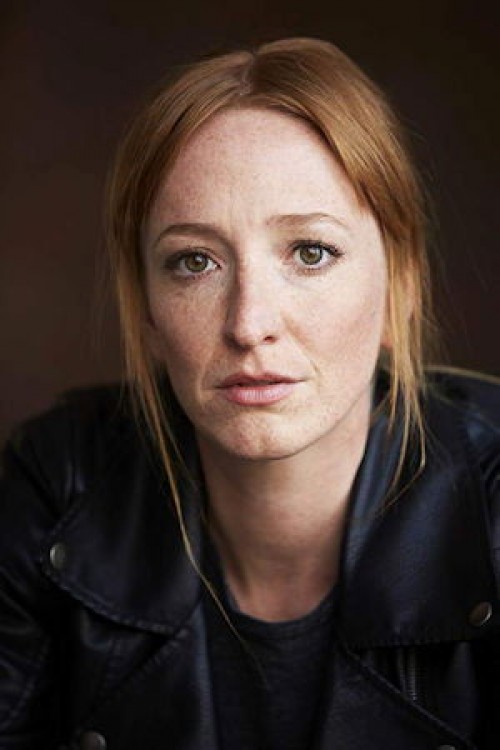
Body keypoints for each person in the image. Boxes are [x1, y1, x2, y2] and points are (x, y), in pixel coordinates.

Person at [1, 37, 499, 750]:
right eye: (194, 261)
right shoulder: (56, 485)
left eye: (311, 252)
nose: (248, 323)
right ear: (147, 311)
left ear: (401, 287)